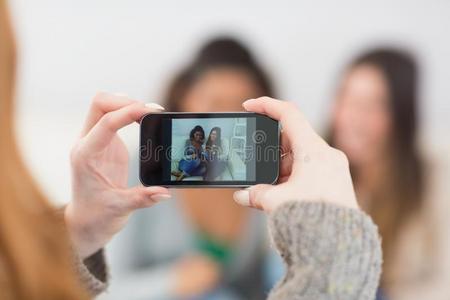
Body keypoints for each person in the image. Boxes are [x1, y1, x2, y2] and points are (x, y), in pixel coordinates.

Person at [1, 2, 382, 299]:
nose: (227, 117)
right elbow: (113, 290)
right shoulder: (137, 174)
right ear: (185, 101)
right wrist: (173, 282)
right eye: (214, 102)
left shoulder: (261, 184)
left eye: (240, 105)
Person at [329, 48, 450, 299]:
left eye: (374, 105)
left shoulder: (436, 178)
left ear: (402, 113)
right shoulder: (318, 170)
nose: (354, 118)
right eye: (346, 99)